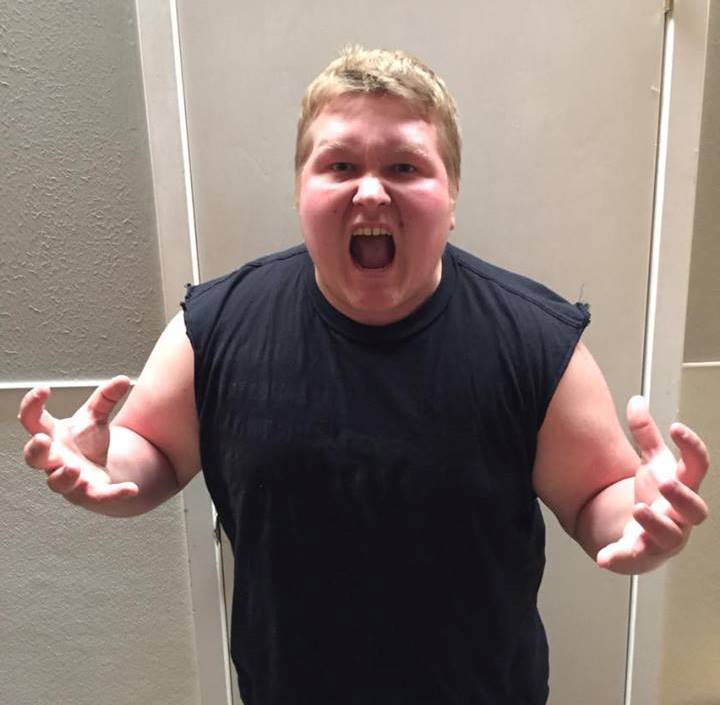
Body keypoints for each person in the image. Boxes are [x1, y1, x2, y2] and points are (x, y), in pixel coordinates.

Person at [19, 47, 709, 704]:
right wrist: (108, 463)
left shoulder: (533, 341)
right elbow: (156, 452)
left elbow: (599, 499)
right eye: (340, 165)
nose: (371, 191)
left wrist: (644, 516)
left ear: (452, 195)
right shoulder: (216, 327)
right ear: (301, 190)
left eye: (405, 167)